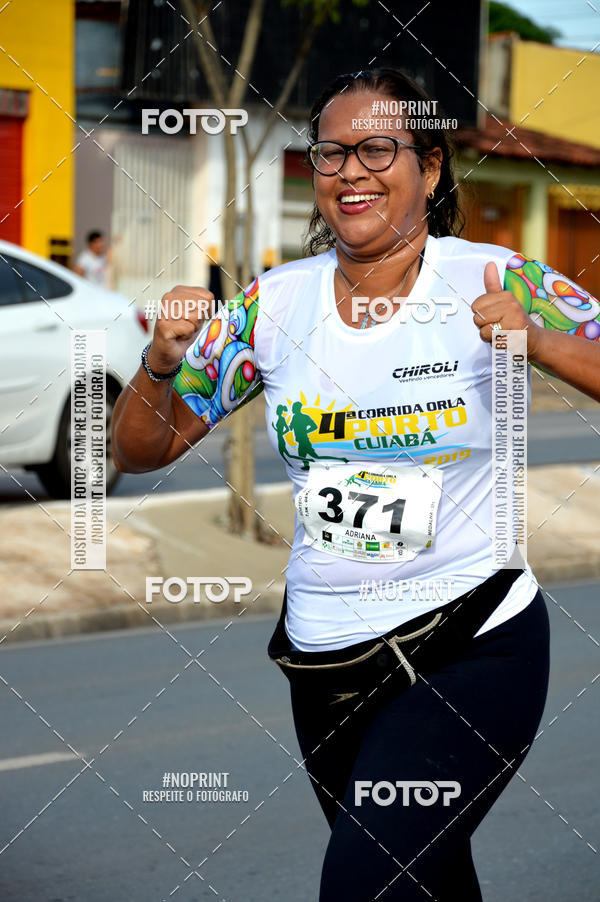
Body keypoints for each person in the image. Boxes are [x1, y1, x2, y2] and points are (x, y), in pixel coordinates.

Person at [111, 68, 600, 900]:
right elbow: (140, 449)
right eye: (331, 153)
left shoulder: (497, 279)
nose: (351, 171)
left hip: (470, 642)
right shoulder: (273, 305)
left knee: (369, 881)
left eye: (378, 148)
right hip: (326, 662)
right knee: (427, 881)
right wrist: (160, 363)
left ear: (431, 169)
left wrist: (541, 344)